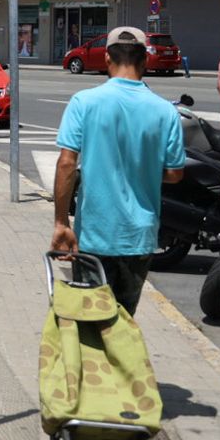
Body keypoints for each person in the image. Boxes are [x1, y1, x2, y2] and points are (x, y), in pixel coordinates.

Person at [51, 26, 186, 316]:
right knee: (123, 324)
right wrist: (144, 169)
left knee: (90, 326)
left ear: (108, 60)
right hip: (139, 237)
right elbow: (175, 174)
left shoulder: (84, 102)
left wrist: (61, 223)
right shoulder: (165, 112)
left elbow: (66, 164)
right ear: (145, 61)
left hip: (95, 236)